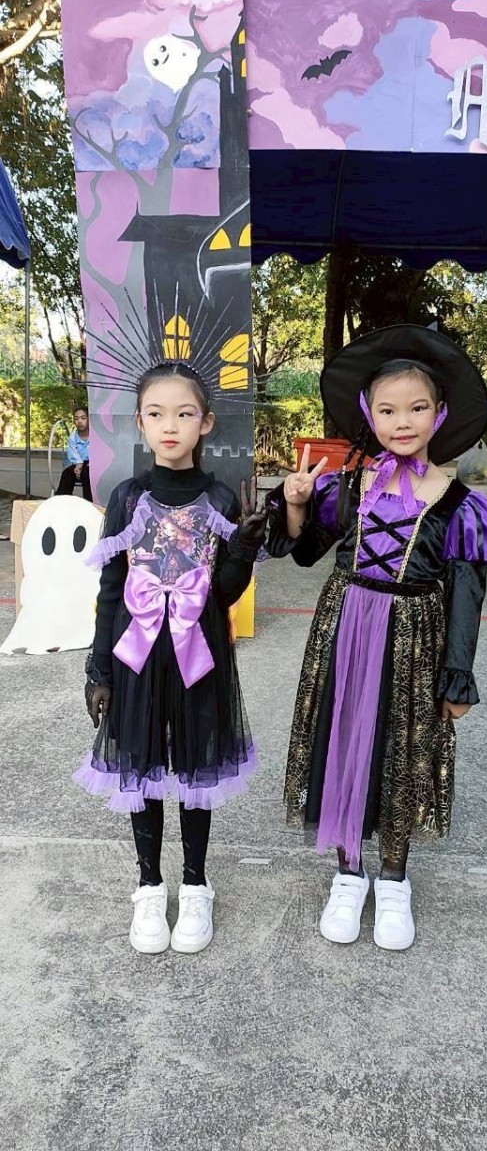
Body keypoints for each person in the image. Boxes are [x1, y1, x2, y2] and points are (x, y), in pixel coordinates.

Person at [267, 324, 487, 951]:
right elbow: (305, 551)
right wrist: (296, 503)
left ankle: (395, 877)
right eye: (388, 410)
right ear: (368, 414)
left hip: (413, 638)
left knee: (403, 746)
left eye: (417, 408)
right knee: (344, 739)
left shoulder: (458, 504)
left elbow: (467, 595)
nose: (403, 422)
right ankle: (348, 872)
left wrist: (457, 673)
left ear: (440, 413)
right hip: (344, 628)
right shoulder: (349, 484)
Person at [73, 361, 266, 955]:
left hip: (198, 654)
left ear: (204, 422)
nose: (170, 425)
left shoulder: (219, 498)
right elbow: (111, 589)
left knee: (195, 768)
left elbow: (225, 591)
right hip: (136, 658)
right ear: (140, 422)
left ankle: (197, 885)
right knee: (144, 767)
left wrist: (244, 546)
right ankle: (150, 886)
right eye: (156, 414)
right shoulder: (128, 498)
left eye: (184, 413)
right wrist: (99, 669)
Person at [56, 405, 92, 502]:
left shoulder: (95, 435)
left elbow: (98, 452)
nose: (79, 421)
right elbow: (73, 453)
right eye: (76, 419)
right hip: (79, 463)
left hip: (93, 464)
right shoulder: (73, 438)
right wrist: (78, 465)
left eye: (83, 418)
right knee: (67, 473)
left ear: (89, 419)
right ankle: (61, 501)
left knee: (86, 473)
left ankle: (89, 503)